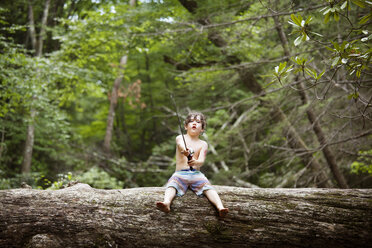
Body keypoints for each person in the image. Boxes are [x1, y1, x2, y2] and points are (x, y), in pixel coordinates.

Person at [156, 112, 229, 217]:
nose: (194, 123)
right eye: (191, 121)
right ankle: (167, 203)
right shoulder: (180, 137)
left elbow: (201, 161)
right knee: (172, 185)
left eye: (198, 122)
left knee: (209, 188)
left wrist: (195, 162)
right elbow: (181, 146)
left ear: (202, 129)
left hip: (196, 174)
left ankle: (220, 207)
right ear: (186, 126)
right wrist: (186, 150)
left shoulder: (203, 144)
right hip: (180, 174)